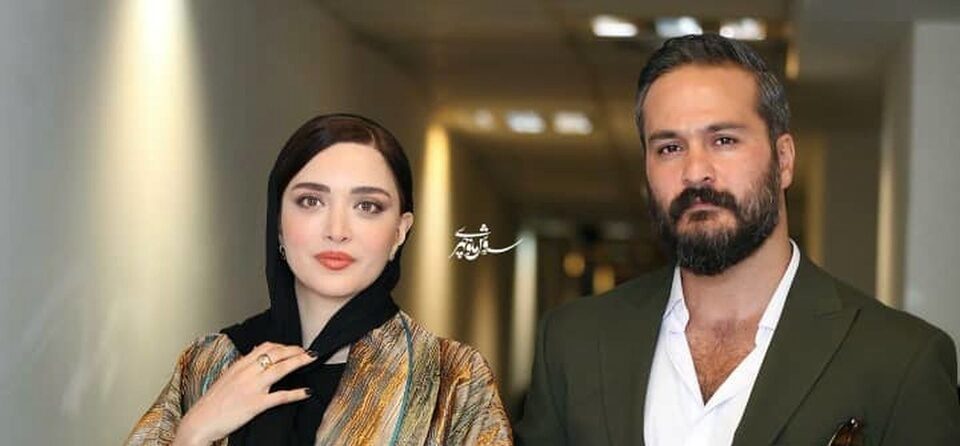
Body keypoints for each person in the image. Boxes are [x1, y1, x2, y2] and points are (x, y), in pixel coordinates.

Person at [516, 34, 960, 445]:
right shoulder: (574, 343)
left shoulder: (901, 361)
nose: (695, 172)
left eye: (724, 140)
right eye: (670, 148)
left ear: (783, 160)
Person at [126, 114, 512, 445]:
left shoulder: (452, 379)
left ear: (400, 231)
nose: (337, 230)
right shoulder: (210, 362)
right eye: (311, 201)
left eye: (367, 206)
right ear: (278, 222)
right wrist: (193, 434)